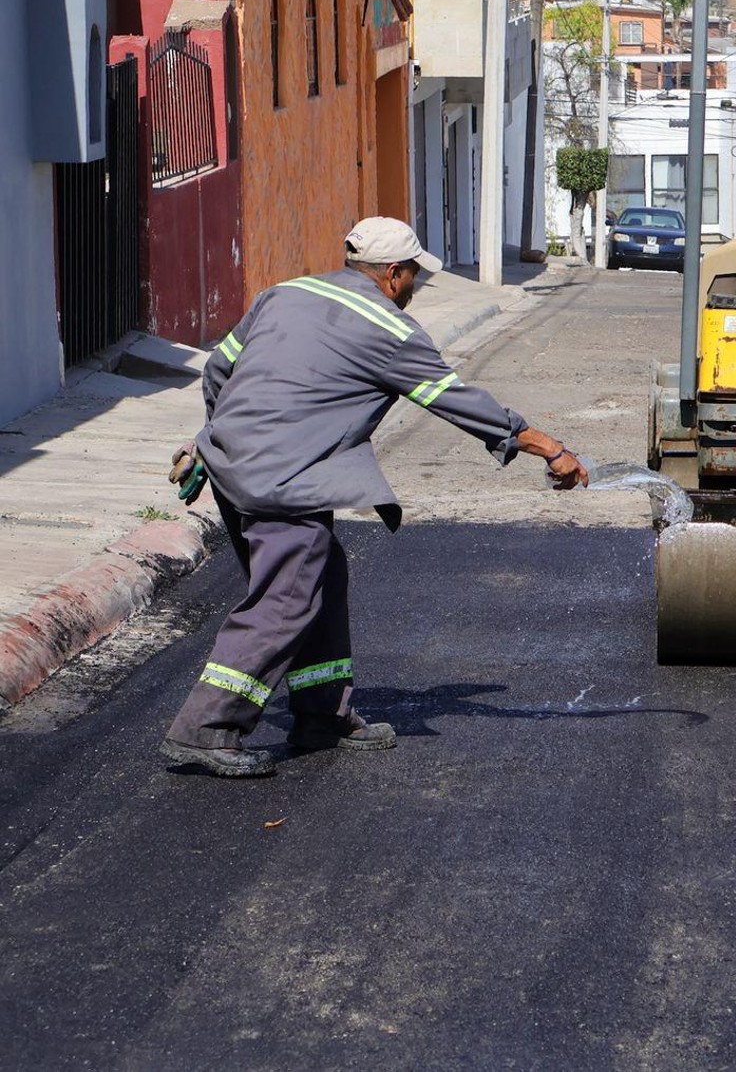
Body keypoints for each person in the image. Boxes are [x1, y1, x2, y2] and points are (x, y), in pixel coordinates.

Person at [160, 217, 588, 778]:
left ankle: (321, 715)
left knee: (322, 576)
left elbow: (219, 368)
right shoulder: (388, 330)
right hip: (285, 479)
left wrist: (221, 439)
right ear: (392, 274)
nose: (416, 286)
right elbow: (456, 401)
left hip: (232, 465)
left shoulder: (282, 295)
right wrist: (549, 446)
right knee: (284, 600)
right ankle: (206, 727)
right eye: (414, 275)